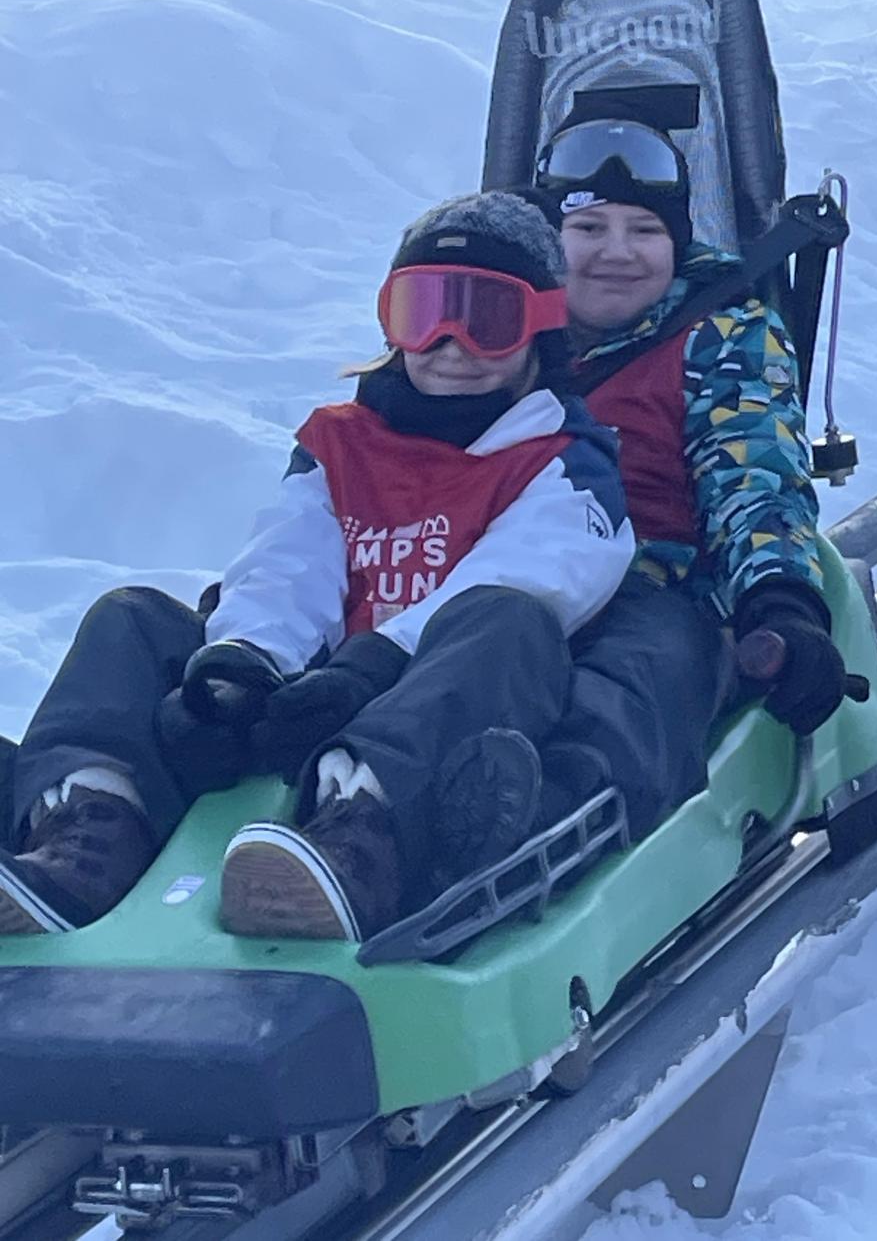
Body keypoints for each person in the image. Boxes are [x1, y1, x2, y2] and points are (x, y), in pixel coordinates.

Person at [0, 191, 635, 942]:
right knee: (130, 619)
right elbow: (288, 561)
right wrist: (245, 665)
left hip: (445, 706)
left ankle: (363, 842)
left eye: (486, 320)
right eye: (422, 314)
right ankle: (89, 828)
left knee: (506, 618)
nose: (450, 344)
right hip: (313, 692)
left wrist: (373, 666)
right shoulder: (340, 444)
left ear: (541, 329)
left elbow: (534, 571)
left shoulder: (565, 461)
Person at [531, 101, 850, 839]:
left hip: (653, 595)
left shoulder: (721, 335)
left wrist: (780, 604)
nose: (617, 251)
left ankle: (537, 822)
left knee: (626, 683)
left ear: (677, 242)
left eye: (645, 230)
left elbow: (753, 479)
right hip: (504, 587)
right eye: (588, 229)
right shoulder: (501, 334)